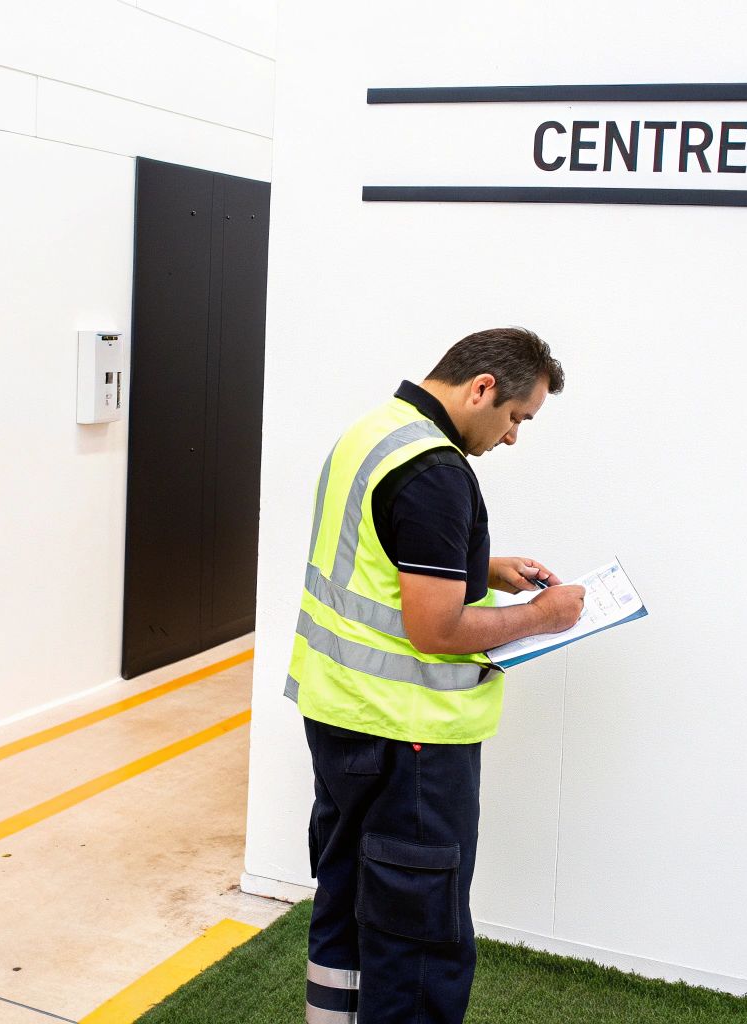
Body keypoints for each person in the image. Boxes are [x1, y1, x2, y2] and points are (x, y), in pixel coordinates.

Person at [288, 326, 587, 1024]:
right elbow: (437, 630)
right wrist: (541, 615)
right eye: (516, 417)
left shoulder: (374, 432)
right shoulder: (436, 472)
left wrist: (481, 568)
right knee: (417, 937)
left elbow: (379, 552)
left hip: (341, 717)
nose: (512, 437)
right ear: (483, 388)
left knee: (347, 905)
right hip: (409, 740)